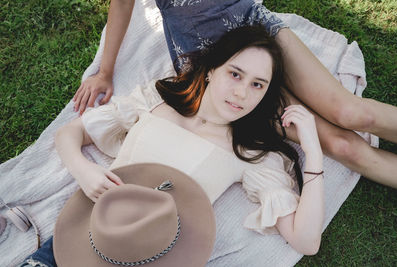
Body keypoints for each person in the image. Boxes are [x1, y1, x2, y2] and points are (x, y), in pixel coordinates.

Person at [19, 25, 323, 266]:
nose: (242, 93)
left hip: (158, 254)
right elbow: (70, 133)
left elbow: (306, 241)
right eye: (235, 74)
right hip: (92, 235)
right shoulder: (157, 100)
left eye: (257, 84)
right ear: (211, 70)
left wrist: (313, 151)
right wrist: (84, 171)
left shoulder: (249, 152)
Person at [73, 0, 397, 189]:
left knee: (353, 115)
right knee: (341, 145)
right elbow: (122, 4)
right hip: (210, 57)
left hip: (253, 25)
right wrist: (104, 71)